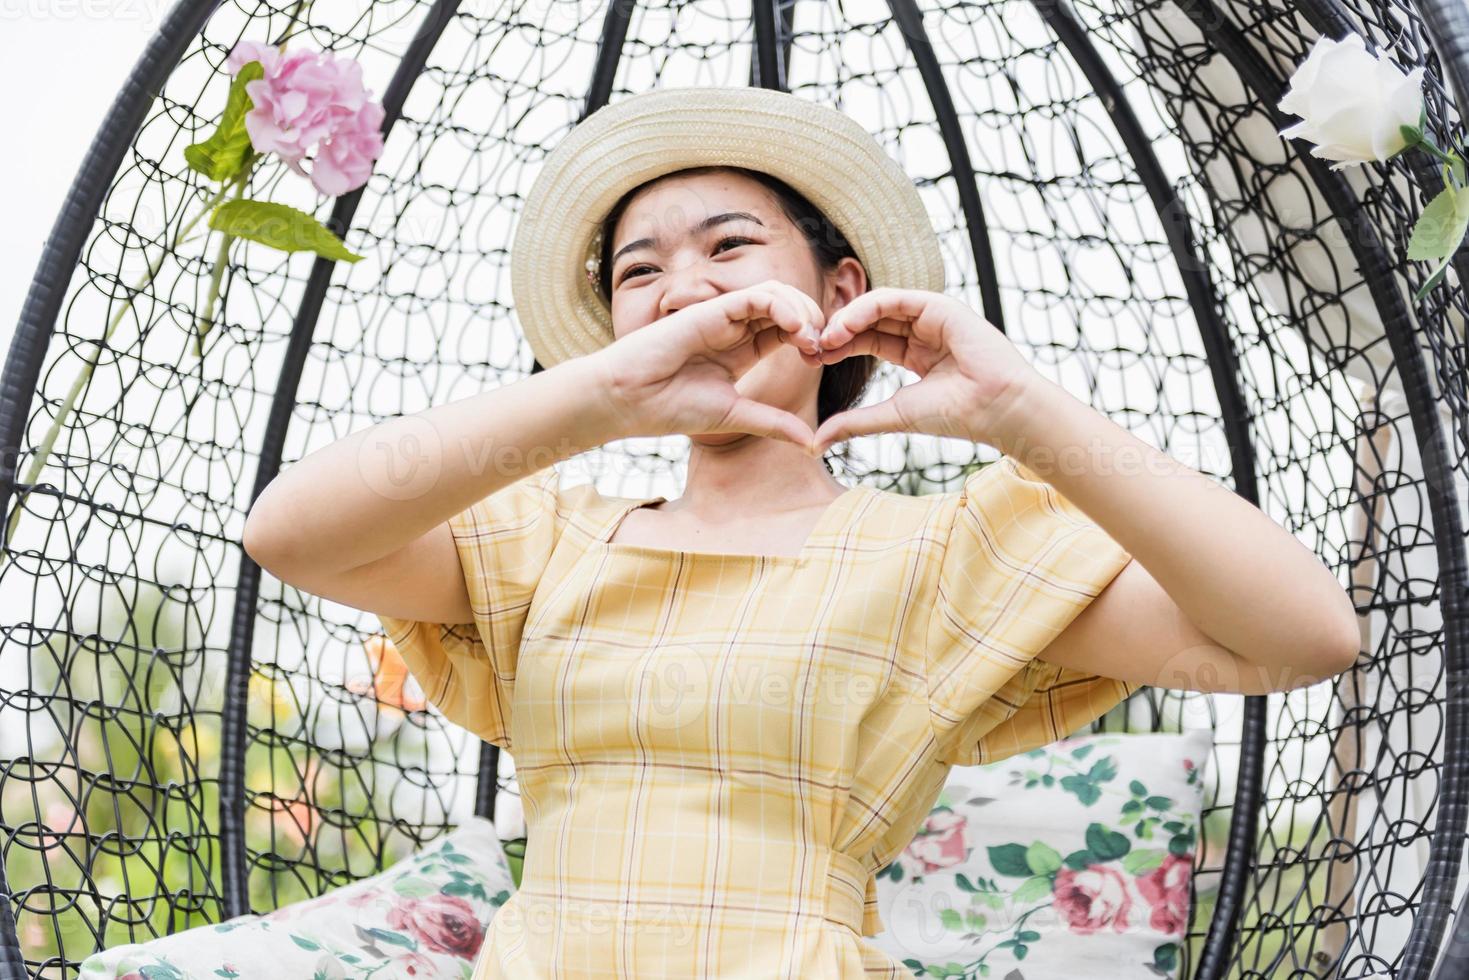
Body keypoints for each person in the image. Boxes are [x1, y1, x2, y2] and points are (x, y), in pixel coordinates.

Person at [243, 85, 1361, 978]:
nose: (682, 286)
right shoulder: (546, 543)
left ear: (841, 288)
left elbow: (1300, 636)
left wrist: (1024, 413)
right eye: (639, 271)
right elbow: (291, 533)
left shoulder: (939, 559)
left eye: (727, 246)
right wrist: (597, 396)